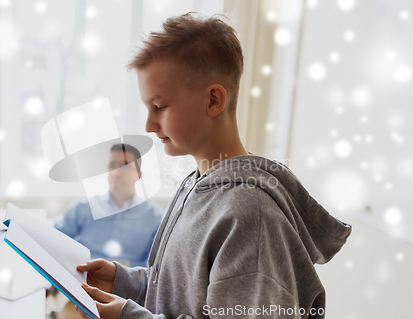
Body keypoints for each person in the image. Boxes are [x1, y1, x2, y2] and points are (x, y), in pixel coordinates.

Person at [75, 13, 352, 319]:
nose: (149, 125)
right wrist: (122, 281)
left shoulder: (249, 218)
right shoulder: (196, 187)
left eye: (160, 107)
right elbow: (176, 293)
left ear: (213, 101)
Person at [54, 143, 163, 267]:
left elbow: (157, 266)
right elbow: (53, 240)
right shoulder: (83, 208)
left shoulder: (155, 216)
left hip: (132, 284)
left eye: (125, 166)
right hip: (83, 280)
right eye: (112, 166)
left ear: (139, 174)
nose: (116, 173)